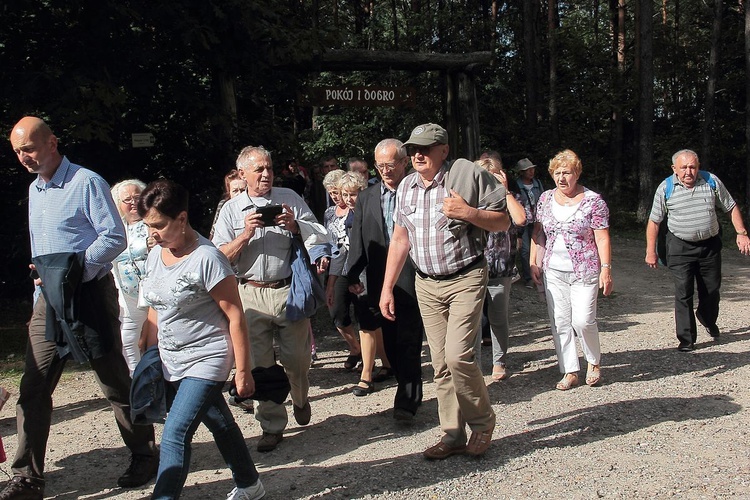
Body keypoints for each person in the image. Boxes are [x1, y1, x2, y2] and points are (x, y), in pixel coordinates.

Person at [2, 117, 157, 500]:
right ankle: (27, 478)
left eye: (30, 148)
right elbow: (42, 255)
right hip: (48, 303)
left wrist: (72, 272)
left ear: (52, 142)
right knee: (33, 389)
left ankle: (144, 453)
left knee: (114, 382)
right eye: (18, 151)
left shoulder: (86, 182)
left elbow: (114, 237)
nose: (24, 157)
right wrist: (43, 295)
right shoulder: (35, 189)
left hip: (87, 295)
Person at [379, 123, 508, 459]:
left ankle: (482, 423)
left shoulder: (463, 179)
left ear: (444, 150)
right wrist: (387, 287)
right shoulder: (405, 186)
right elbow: (399, 239)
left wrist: (469, 213)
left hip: (465, 277)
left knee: (458, 356)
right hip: (425, 284)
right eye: (413, 149)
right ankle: (452, 435)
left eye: (426, 148)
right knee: (439, 363)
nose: (418, 154)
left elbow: (503, 222)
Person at [137, 180, 265, 500]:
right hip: (171, 358)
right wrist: (148, 350)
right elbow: (157, 306)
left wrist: (243, 371)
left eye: (159, 225)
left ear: (181, 218)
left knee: (175, 434)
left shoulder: (208, 258)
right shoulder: (157, 254)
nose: (152, 233)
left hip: (208, 356)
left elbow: (235, 315)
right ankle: (251, 484)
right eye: (148, 226)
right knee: (219, 422)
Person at [212, 146, 328, 453]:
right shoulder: (231, 209)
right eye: (259, 169)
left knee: (298, 359)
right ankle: (272, 425)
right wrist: (245, 234)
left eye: (269, 168)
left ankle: (301, 398)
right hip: (248, 293)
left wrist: (295, 226)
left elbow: (319, 233)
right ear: (242, 175)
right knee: (260, 365)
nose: (266, 174)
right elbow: (217, 256)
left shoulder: (289, 198)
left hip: (287, 290)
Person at [347, 138, 425, 421]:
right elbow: (358, 238)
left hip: (414, 275)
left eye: (390, 165)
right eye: (379, 166)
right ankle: (403, 382)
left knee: (409, 339)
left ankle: (407, 400)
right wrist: (351, 274)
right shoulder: (367, 197)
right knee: (390, 342)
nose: (385, 171)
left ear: (404, 162)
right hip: (381, 279)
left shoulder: (420, 191)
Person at [645, 149, 750, 351]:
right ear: (674, 169)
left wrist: (741, 232)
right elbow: (654, 222)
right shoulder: (666, 187)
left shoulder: (711, 181)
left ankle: (706, 318)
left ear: (698, 167)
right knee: (683, 292)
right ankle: (687, 339)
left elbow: (730, 206)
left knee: (711, 290)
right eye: (683, 168)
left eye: (692, 167)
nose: (688, 172)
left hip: (709, 245)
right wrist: (651, 251)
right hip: (679, 245)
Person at [530, 149, 612, 391]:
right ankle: (570, 370)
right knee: (560, 322)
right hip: (553, 271)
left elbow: (603, 238)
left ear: (577, 174)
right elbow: (538, 233)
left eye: (567, 172)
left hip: (584, 271)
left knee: (583, 320)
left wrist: (606, 269)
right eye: (557, 173)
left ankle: (593, 362)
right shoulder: (545, 199)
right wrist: (533, 261)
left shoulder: (594, 201)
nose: (561, 177)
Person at [328, 172, 390, 396]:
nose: (350, 199)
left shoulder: (373, 211)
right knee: (360, 318)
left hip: (369, 270)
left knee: (368, 321)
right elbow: (342, 249)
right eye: (346, 194)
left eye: (353, 194)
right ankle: (386, 363)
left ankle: (366, 374)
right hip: (349, 270)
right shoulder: (343, 215)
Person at [475, 157, 527, 381]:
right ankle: (473, 365)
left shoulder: (507, 199)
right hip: (473, 266)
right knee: (472, 320)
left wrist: (504, 191)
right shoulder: (469, 200)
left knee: (498, 317)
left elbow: (522, 219)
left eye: (491, 176)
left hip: (501, 267)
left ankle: (499, 362)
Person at [110, 179, 151, 376]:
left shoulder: (153, 223)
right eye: (127, 199)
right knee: (127, 338)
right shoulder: (115, 229)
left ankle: (167, 381)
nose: (133, 202)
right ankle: (137, 378)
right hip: (128, 295)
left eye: (137, 197)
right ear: (118, 204)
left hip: (154, 292)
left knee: (157, 338)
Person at [322, 169, 362, 370]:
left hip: (356, 267)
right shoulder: (329, 213)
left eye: (338, 192)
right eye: (331, 193)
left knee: (365, 314)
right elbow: (328, 243)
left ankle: (376, 359)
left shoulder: (356, 210)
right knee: (337, 312)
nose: (336, 197)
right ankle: (356, 348)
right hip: (336, 268)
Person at [515, 158, 544, 288]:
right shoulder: (517, 185)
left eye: (532, 169)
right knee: (525, 250)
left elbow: (543, 200)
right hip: (523, 223)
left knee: (540, 247)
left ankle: (540, 274)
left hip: (537, 220)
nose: (531, 171)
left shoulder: (538, 184)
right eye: (528, 170)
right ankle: (528, 277)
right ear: (522, 172)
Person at [209, 169, 247, 240]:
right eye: (235, 191)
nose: (239, 194)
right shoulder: (224, 205)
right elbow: (213, 233)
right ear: (229, 193)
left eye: (243, 190)